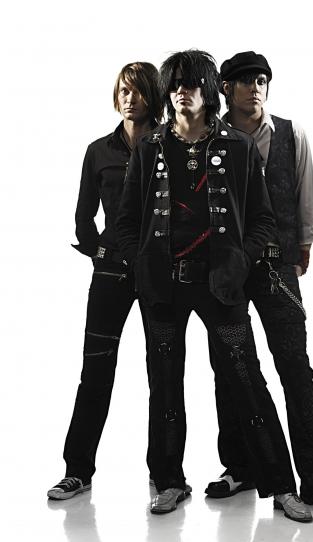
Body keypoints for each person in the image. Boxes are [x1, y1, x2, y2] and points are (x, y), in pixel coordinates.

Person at [116, 49, 312, 522]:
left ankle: (282, 487)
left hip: (221, 284)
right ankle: (168, 481)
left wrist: (240, 261)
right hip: (162, 288)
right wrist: (141, 264)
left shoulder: (238, 147)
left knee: (247, 379)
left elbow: (263, 220)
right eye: (175, 85)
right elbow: (125, 221)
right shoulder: (149, 147)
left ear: (208, 92)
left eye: (191, 85)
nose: (182, 92)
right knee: (164, 384)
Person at [205, 51, 313, 516]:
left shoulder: (291, 134)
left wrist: (302, 243)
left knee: (295, 368)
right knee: (230, 368)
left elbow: (305, 191)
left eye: (262, 80)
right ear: (226, 88)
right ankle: (240, 466)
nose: (255, 88)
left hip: (275, 265)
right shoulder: (209, 137)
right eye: (246, 80)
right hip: (226, 268)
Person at [47, 62, 163, 500]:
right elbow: (83, 217)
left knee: (163, 374)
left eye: (137, 91)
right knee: (95, 370)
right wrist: (98, 251)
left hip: (158, 274)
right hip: (111, 272)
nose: (129, 99)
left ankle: (166, 474)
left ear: (153, 95)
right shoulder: (98, 151)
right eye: (123, 91)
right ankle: (77, 470)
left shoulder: (170, 146)